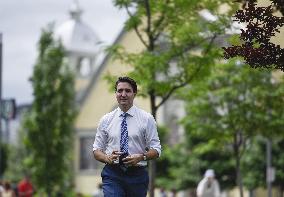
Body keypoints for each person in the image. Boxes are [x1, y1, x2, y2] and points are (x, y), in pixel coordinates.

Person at [93, 76, 162, 197]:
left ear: (134, 94)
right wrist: (106, 158)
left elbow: (156, 150)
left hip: (137, 175)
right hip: (113, 173)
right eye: (120, 91)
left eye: (127, 91)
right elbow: (96, 150)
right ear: (116, 94)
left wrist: (141, 157)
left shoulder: (146, 119)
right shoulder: (106, 120)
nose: (123, 94)